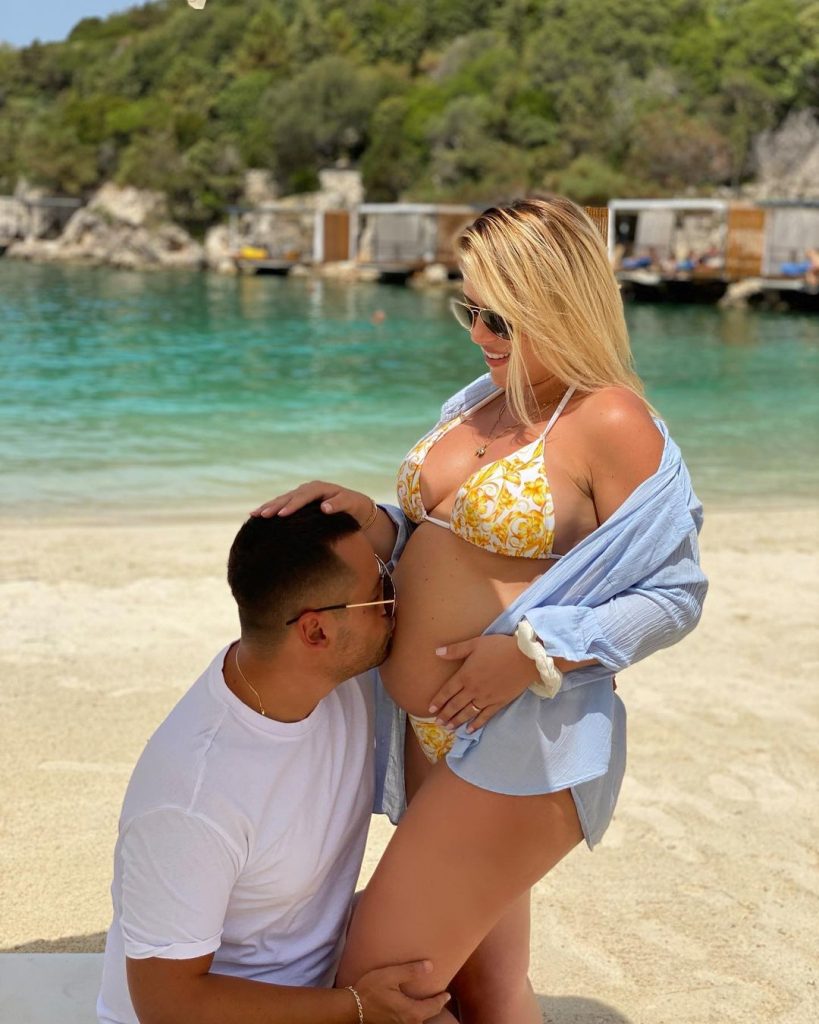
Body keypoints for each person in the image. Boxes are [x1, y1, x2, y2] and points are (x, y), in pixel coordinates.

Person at [256, 195, 708, 1023]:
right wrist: (372, 520)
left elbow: (675, 596)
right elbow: (444, 542)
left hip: (520, 741)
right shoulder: (479, 400)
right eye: (467, 309)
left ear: (557, 303)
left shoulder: (609, 420)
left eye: (498, 318)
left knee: (379, 987)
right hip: (428, 735)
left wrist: (536, 652)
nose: (478, 335)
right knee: (481, 989)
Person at [97, 503, 452, 1024]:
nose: (396, 598)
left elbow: (453, 550)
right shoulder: (193, 800)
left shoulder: (331, 675)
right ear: (316, 632)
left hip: (314, 979)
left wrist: (370, 513)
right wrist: (356, 1007)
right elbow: (167, 1005)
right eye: (381, 591)